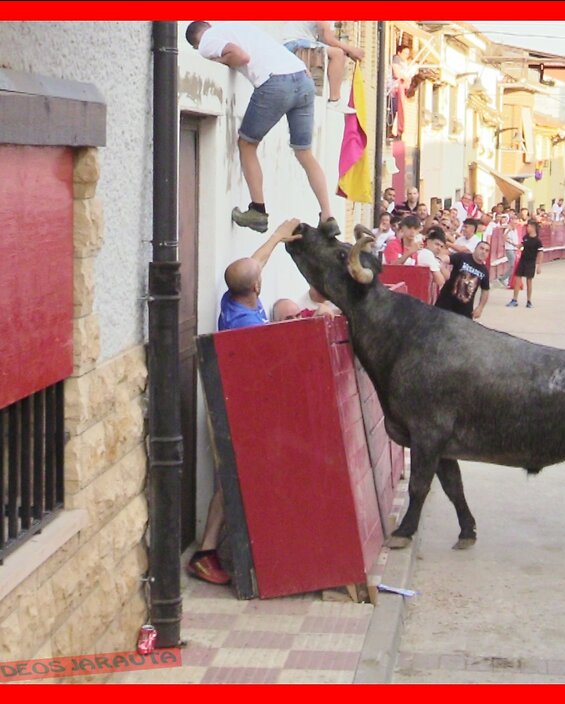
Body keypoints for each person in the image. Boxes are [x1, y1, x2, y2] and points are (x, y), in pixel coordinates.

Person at [192, 218, 302, 585]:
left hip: (235, 408)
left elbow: (253, 266)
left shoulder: (233, 297)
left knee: (228, 484)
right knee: (233, 484)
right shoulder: (248, 326)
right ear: (257, 287)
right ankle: (212, 553)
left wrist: (276, 237)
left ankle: (207, 551)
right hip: (240, 413)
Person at [186, 22, 339, 238]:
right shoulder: (240, 29)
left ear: (196, 42)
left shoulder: (207, 41)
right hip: (302, 79)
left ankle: (258, 211)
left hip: (276, 83)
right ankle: (328, 217)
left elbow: (241, 57)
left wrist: (219, 59)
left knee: (247, 144)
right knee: (304, 152)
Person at [280, 21, 365, 112]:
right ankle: (335, 100)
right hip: (294, 42)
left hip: (301, 41)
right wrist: (350, 50)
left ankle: (332, 99)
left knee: (339, 54)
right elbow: (327, 38)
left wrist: (348, 52)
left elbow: (326, 40)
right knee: (338, 54)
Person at [436, 240, 492, 319]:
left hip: (464, 310)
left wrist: (480, 308)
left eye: (486, 251)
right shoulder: (462, 257)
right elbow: (447, 259)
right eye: (481, 248)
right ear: (475, 249)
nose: (483, 252)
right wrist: (440, 261)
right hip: (446, 303)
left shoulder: (484, 271)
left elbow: (485, 290)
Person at [507, 219, 543, 308]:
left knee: (529, 282)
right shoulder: (525, 237)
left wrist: (539, 266)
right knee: (517, 280)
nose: (527, 228)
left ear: (534, 228)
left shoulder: (538, 241)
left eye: (529, 226)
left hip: (531, 262)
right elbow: (521, 246)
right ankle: (514, 300)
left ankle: (529, 301)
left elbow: (540, 253)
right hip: (522, 261)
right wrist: (512, 243)